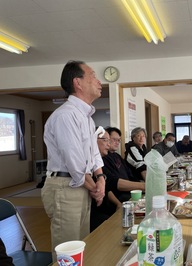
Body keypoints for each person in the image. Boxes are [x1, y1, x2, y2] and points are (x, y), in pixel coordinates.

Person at [41, 60, 106, 259]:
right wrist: (95, 188)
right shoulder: (66, 116)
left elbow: (93, 153)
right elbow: (75, 163)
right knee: (67, 251)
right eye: (93, 75)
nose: (99, 81)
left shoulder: (86, 116)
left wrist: (101, 178)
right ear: (78, 82)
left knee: (81, 244)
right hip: (65, 186)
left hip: (81, 185)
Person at [91, 128, 145, 231]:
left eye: (118, 140)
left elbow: (130, 176)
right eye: (113, 140)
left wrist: (142, 184)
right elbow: (112, 182)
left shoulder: (116, 156)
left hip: (129, 197)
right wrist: (144, 186)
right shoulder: (100, 160)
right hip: (114, 202)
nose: (117, 143)